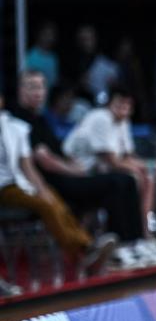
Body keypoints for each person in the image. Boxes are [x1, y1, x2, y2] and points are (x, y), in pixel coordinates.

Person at [12, 71, 150, 270]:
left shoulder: (41, 119)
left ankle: (136, 243)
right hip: (55, 182)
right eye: (32, 87)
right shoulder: (18, 121)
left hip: (68, 175)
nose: (38, 92)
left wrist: (73, 164)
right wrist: (75, 170)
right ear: (20, 90)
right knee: (116, 182)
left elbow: (57, 154)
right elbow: (45, 160)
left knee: (125, 180)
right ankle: (120, 249)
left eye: (41, 87)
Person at [0, 96, 116, 275]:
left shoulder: (16, 127)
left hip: (19, 183)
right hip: (3, 188)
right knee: (44, 204)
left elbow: (27, 165)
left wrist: (41, 188)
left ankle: (86, 251)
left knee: (53, 198)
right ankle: (85, 249)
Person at [64, 87, 156, 256]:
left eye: (127, 103)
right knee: (136, 178)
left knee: (148, 177)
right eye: (119, 101)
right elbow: (113, 161)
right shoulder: (100, 118)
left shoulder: (123, 122)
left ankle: (145, 237)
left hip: (102, 172)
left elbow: (129, 157)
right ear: (110, 102)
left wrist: (154, 165)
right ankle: (129, 240)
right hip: (78, 173)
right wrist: (152, 166)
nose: (123, 106)